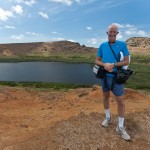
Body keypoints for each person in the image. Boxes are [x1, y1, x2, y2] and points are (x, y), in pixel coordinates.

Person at [95, 23, 131, 141]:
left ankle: (120, 127)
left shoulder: (122, 45)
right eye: (110, 32)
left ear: (117, 33)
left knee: (120, 101)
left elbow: (126, 61)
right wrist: (105, 64)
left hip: (117, 77)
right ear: (107, 33)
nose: (112, 33)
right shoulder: (102, 45)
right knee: (105, 96)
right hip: (105, 76)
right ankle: (108, 118)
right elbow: (97, 60)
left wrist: (114, 64)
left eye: (114, 32)